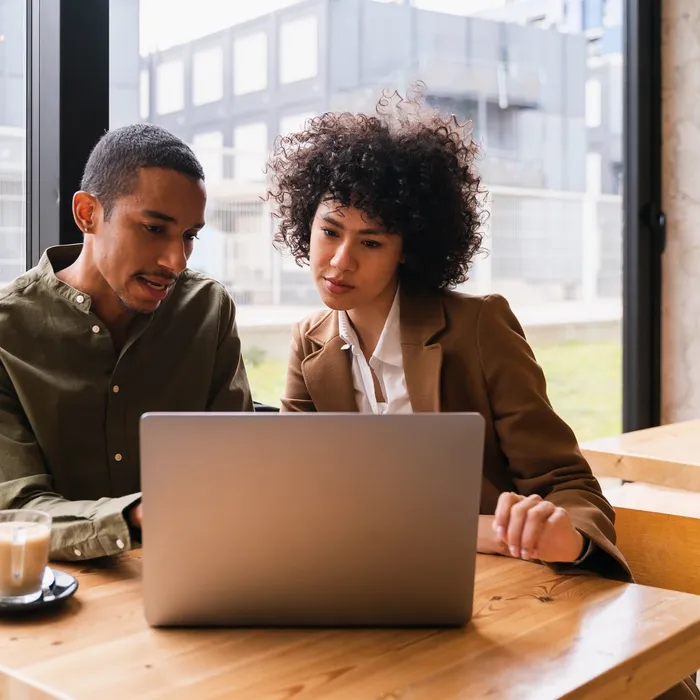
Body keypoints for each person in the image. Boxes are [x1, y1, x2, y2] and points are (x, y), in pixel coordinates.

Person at [0, 124, 252, 561]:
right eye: (154, 228)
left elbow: (236, 466)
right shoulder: (7, 329)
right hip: (64, 597)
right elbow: (15, 510)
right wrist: (133, 517)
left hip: (199, 567)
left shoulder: (208, 309)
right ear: (87, 214)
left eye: (189, 236)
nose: (176, 261)